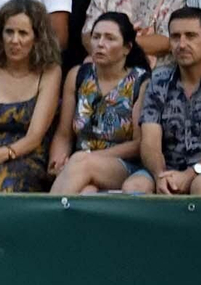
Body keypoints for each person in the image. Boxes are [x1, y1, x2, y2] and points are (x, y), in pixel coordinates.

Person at [123, 7, 201, 195]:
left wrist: (191, 173)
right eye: (175, 37)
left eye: (191, 36)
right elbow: (150, 142)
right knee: (134, 186)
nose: (182, 44)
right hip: (166, 167)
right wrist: (160, 175)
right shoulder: (158, 82)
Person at [0, 0, 62, 191]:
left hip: (26, 154)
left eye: (23, 33)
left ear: (37, 38)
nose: (14, 40)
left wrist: (5, 153)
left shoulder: (49, 71)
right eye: (9, 32)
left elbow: (35, 136)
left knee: (6, 182)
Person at [48, 12, 149, 194]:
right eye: (96, 37)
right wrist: (57, 163)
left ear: (127, 48)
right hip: (79, 165)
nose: (100, 44)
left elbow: (138, 144)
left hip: (124, 165)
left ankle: (46, 212)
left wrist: (87, 157)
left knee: (83, 164)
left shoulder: (141, 82)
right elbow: (63, 134)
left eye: (110, 38)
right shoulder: (78, 75)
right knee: (86, 192)